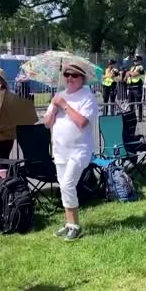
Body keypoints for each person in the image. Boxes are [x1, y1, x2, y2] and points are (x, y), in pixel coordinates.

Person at [44, 62, 99, 241]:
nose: (69, 78)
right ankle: (69, 223)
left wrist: (65, 106)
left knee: (68, 184)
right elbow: (46, 123)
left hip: (79, 150)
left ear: (82, 78)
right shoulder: (59, 95)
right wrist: (53, 107)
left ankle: (75, 225)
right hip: (60, 149)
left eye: (74, 75)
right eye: (67, 74)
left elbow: (83, 123)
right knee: (64, 186)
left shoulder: (87, 97)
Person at [126, 55, 145, 121]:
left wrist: (129, 73)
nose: (135, 62)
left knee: (138, 103)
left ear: (140, 61)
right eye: (134, 60)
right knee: (131, 103)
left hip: (137, 87)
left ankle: (140, 117)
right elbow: (127, 75)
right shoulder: (132, 68)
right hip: (131, 87)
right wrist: (129, 73)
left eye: (136, 60)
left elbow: (135, 74)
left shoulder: (141, 67)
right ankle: (132, 116)